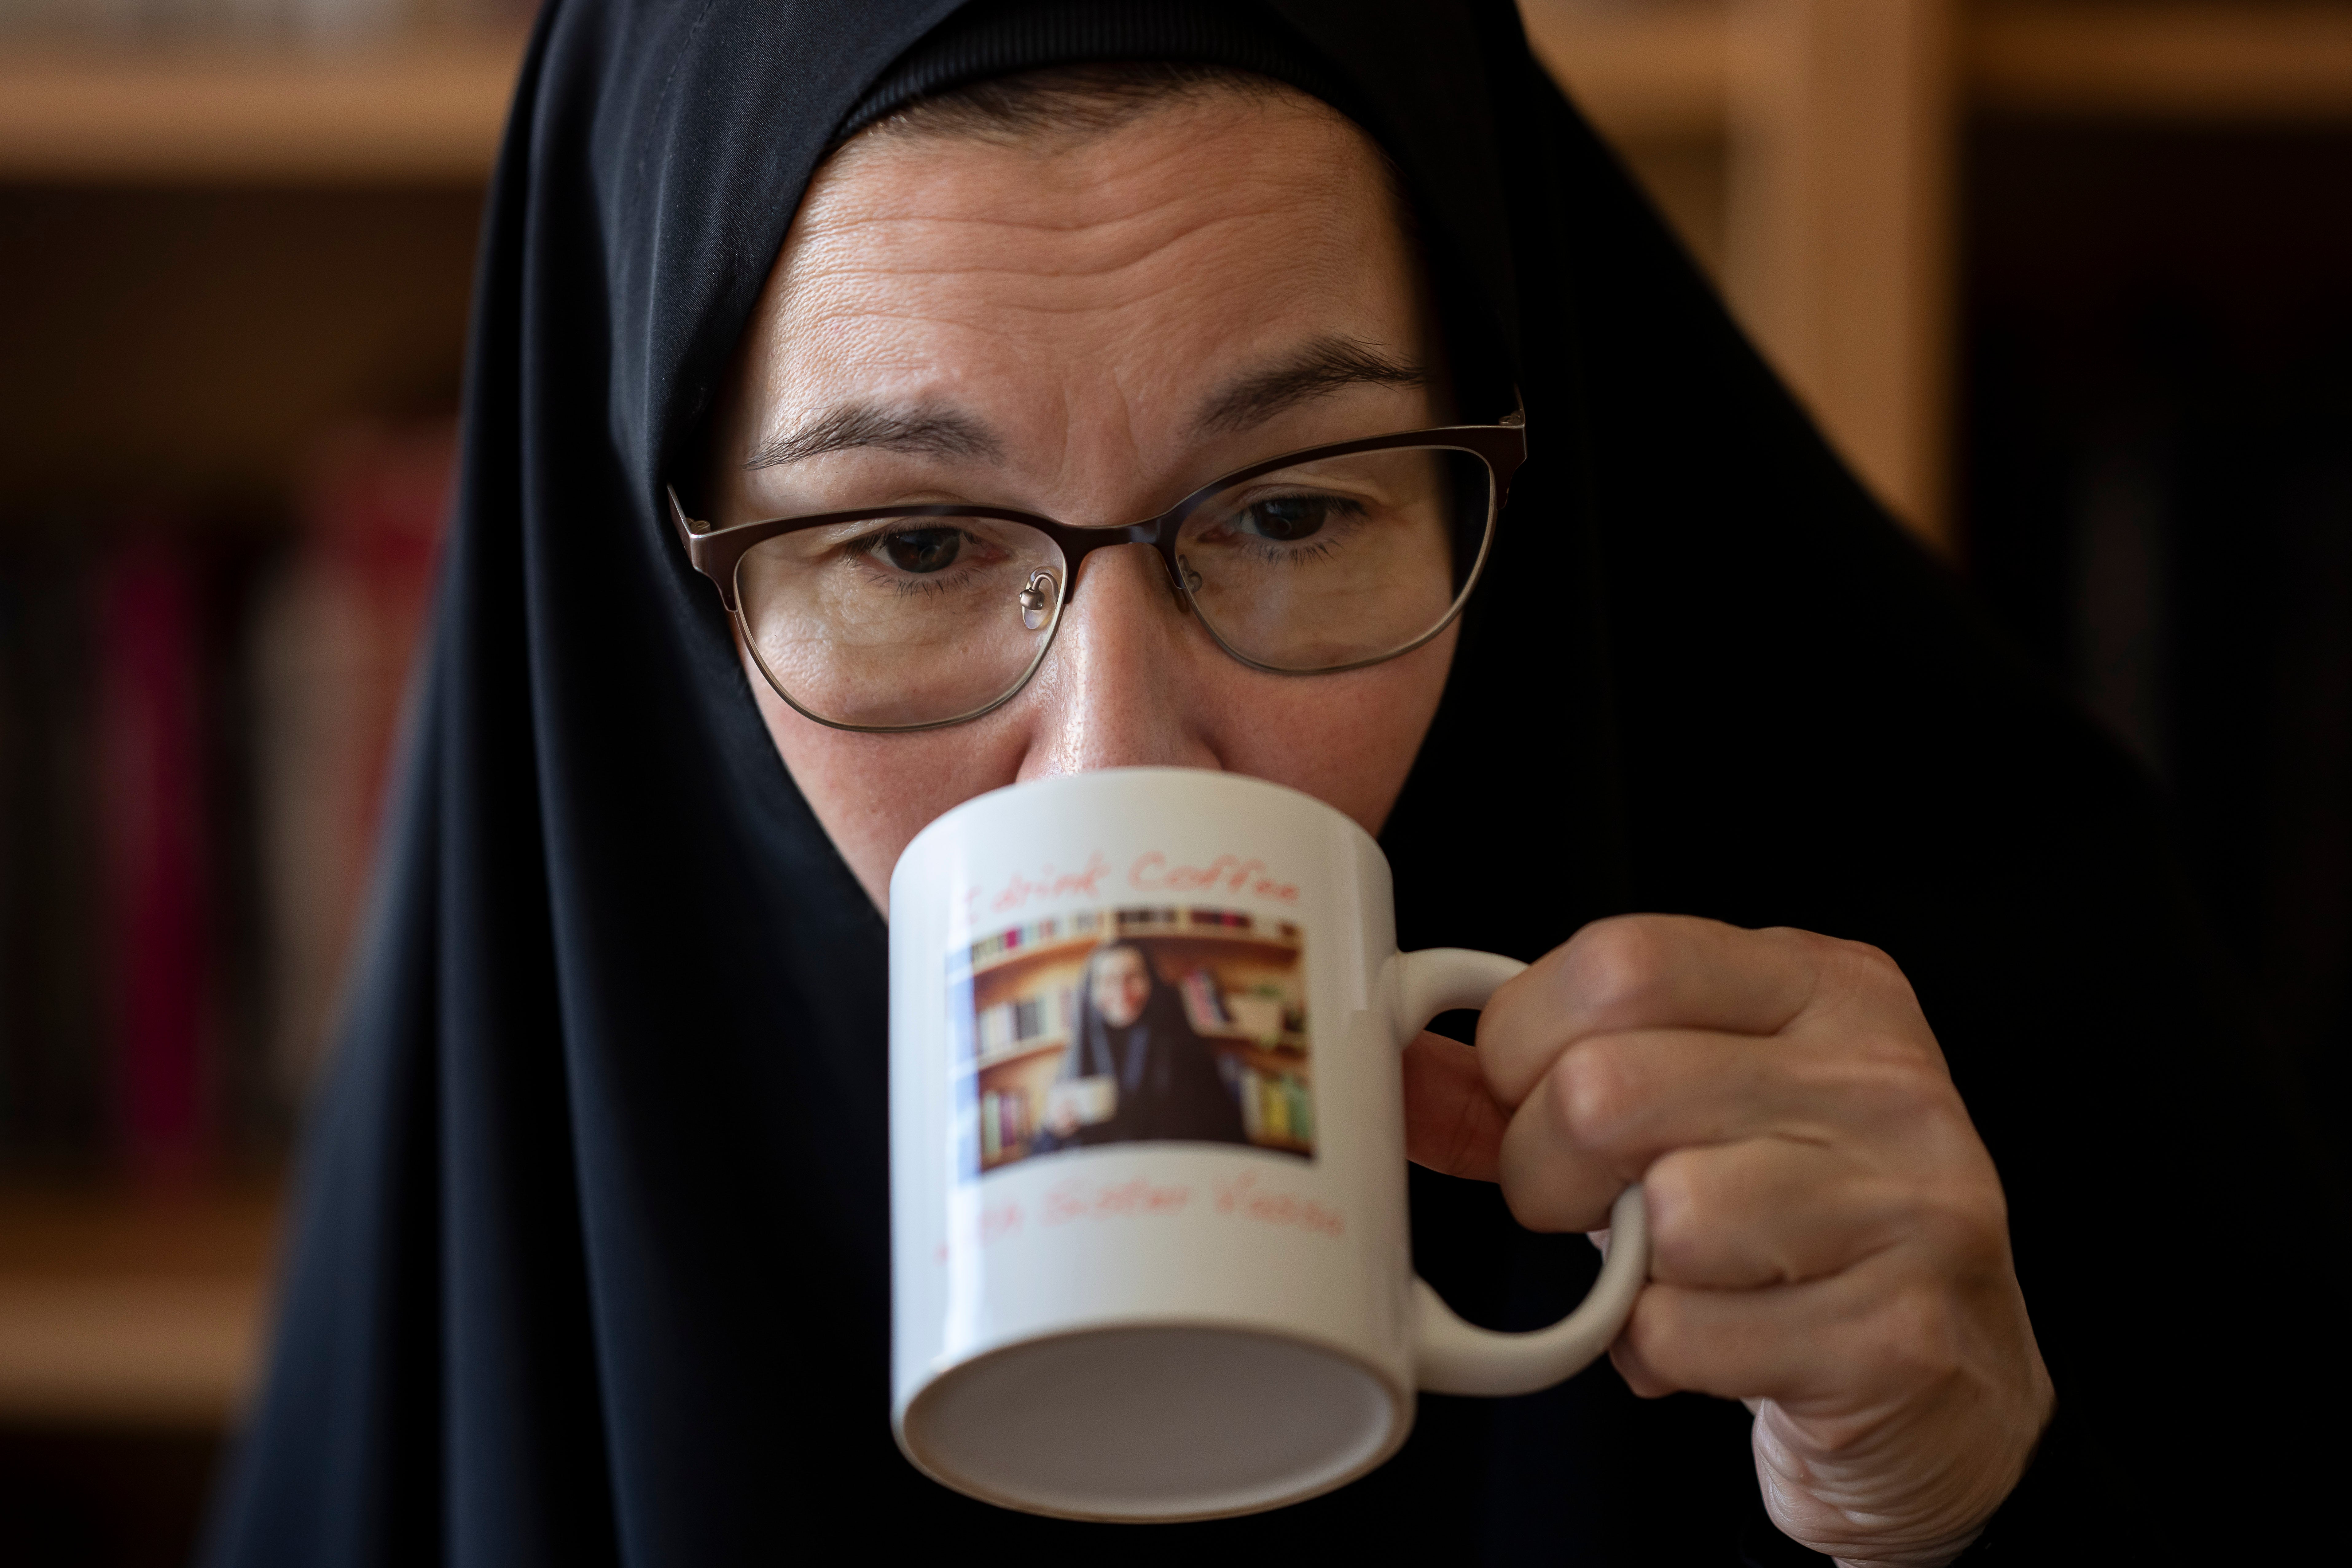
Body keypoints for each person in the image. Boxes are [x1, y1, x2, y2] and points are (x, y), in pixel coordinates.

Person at [204, 2, 2347, 1564]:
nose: (1121, 757)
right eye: (915, 543)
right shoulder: (490, 1276)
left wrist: (1961, 1510)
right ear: (652, 582)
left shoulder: (1943, 1145)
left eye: (1296, 510)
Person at [1031, 943, 1251, 1152]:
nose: (1122, 992)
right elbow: (1041, 1155)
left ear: (1152, 983)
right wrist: (1054, 1130)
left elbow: (1228, 1132)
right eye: (1108, 981)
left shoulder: (1186, 1049)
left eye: (1133, 977)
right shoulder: (1076, 1058)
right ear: (1091, 992)